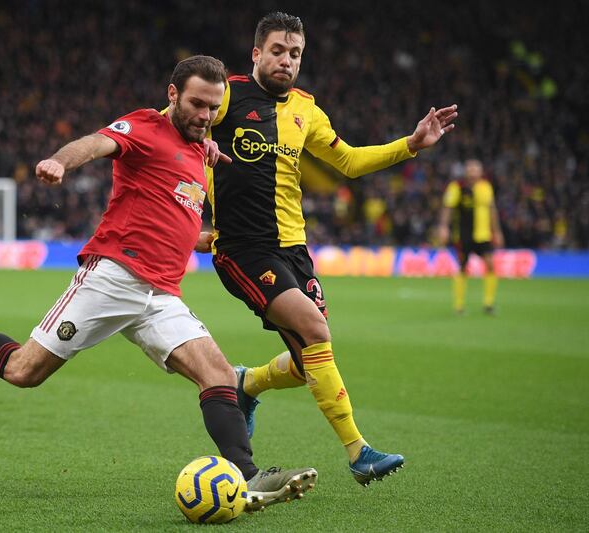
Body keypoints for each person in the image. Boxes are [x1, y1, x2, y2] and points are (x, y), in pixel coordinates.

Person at [0, 55, 316, 510]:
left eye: (213, 108)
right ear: (172, 94)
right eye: (196, 103)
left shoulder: (200, 149)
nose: (205, 116)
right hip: (112, 278)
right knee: (23, 372)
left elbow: (174, 214)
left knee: (216, 374)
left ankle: (248, 477)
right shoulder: (145, 127)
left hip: (161, 294)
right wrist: (59, 161)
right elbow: (95, 144)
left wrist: (205, 238)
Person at [202, 12, 458, 486]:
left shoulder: (306, 110)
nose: (287, 60)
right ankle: (359, 452)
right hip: (243, 249)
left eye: (295, 53)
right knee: (315, 328)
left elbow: (348, 160)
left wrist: (413, 144)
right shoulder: (226, 96)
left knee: (308, 362)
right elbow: (173, 127)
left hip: (295, 251)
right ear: (257, 54)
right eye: (277, 51)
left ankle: (246, 383)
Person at [437, 159, 504, 314]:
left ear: (480, 172)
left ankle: (489, 303)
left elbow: (492, 210)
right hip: (462, 235)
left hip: (483, 234)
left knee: (490, 265)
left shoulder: (486, 187)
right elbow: (447, 208)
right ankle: (459, 306)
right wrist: (443, 227)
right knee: (462, 267)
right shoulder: (456, 187)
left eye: (476, 169)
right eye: (470, 169)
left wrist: (497, 231)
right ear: (465, 171)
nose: (473, 172)